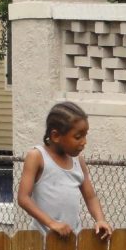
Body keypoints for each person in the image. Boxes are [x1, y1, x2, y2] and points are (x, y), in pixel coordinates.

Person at [17, 101, 112, 239]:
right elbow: (23, 198)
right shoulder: (37, 157)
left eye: (85, 135)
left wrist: (100, 219)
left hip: (72, 239)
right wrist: (52, 223)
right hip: (43, 240)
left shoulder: (78, 161)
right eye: (78, 137)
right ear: (56, 136)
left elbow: (91, 197)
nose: (84, 142)